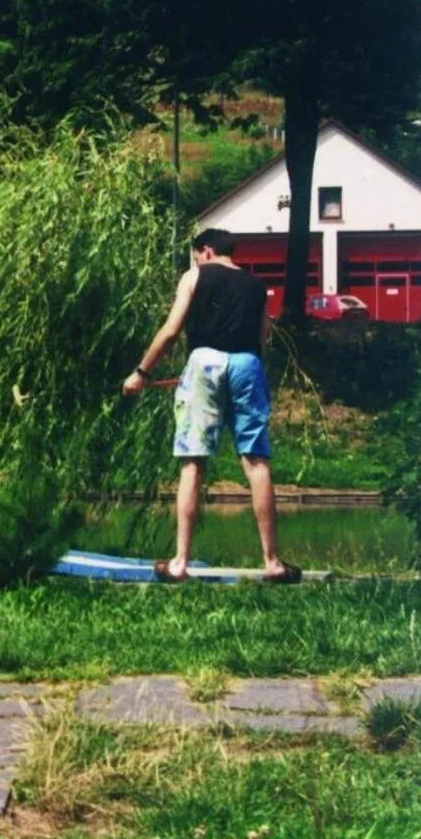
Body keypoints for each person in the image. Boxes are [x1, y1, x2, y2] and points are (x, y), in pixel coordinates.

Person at [122, 228, 301, 583]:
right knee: (256, 461)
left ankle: (179, 564)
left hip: (204, 362)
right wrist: (241, 370)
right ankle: (273, 562)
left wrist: (142, 372)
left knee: (193, 462)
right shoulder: (256, 285)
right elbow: (262, 339)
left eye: (195, 254)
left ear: (205, 251)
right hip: (247, 364)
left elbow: (172, 330)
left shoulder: (195, 276)